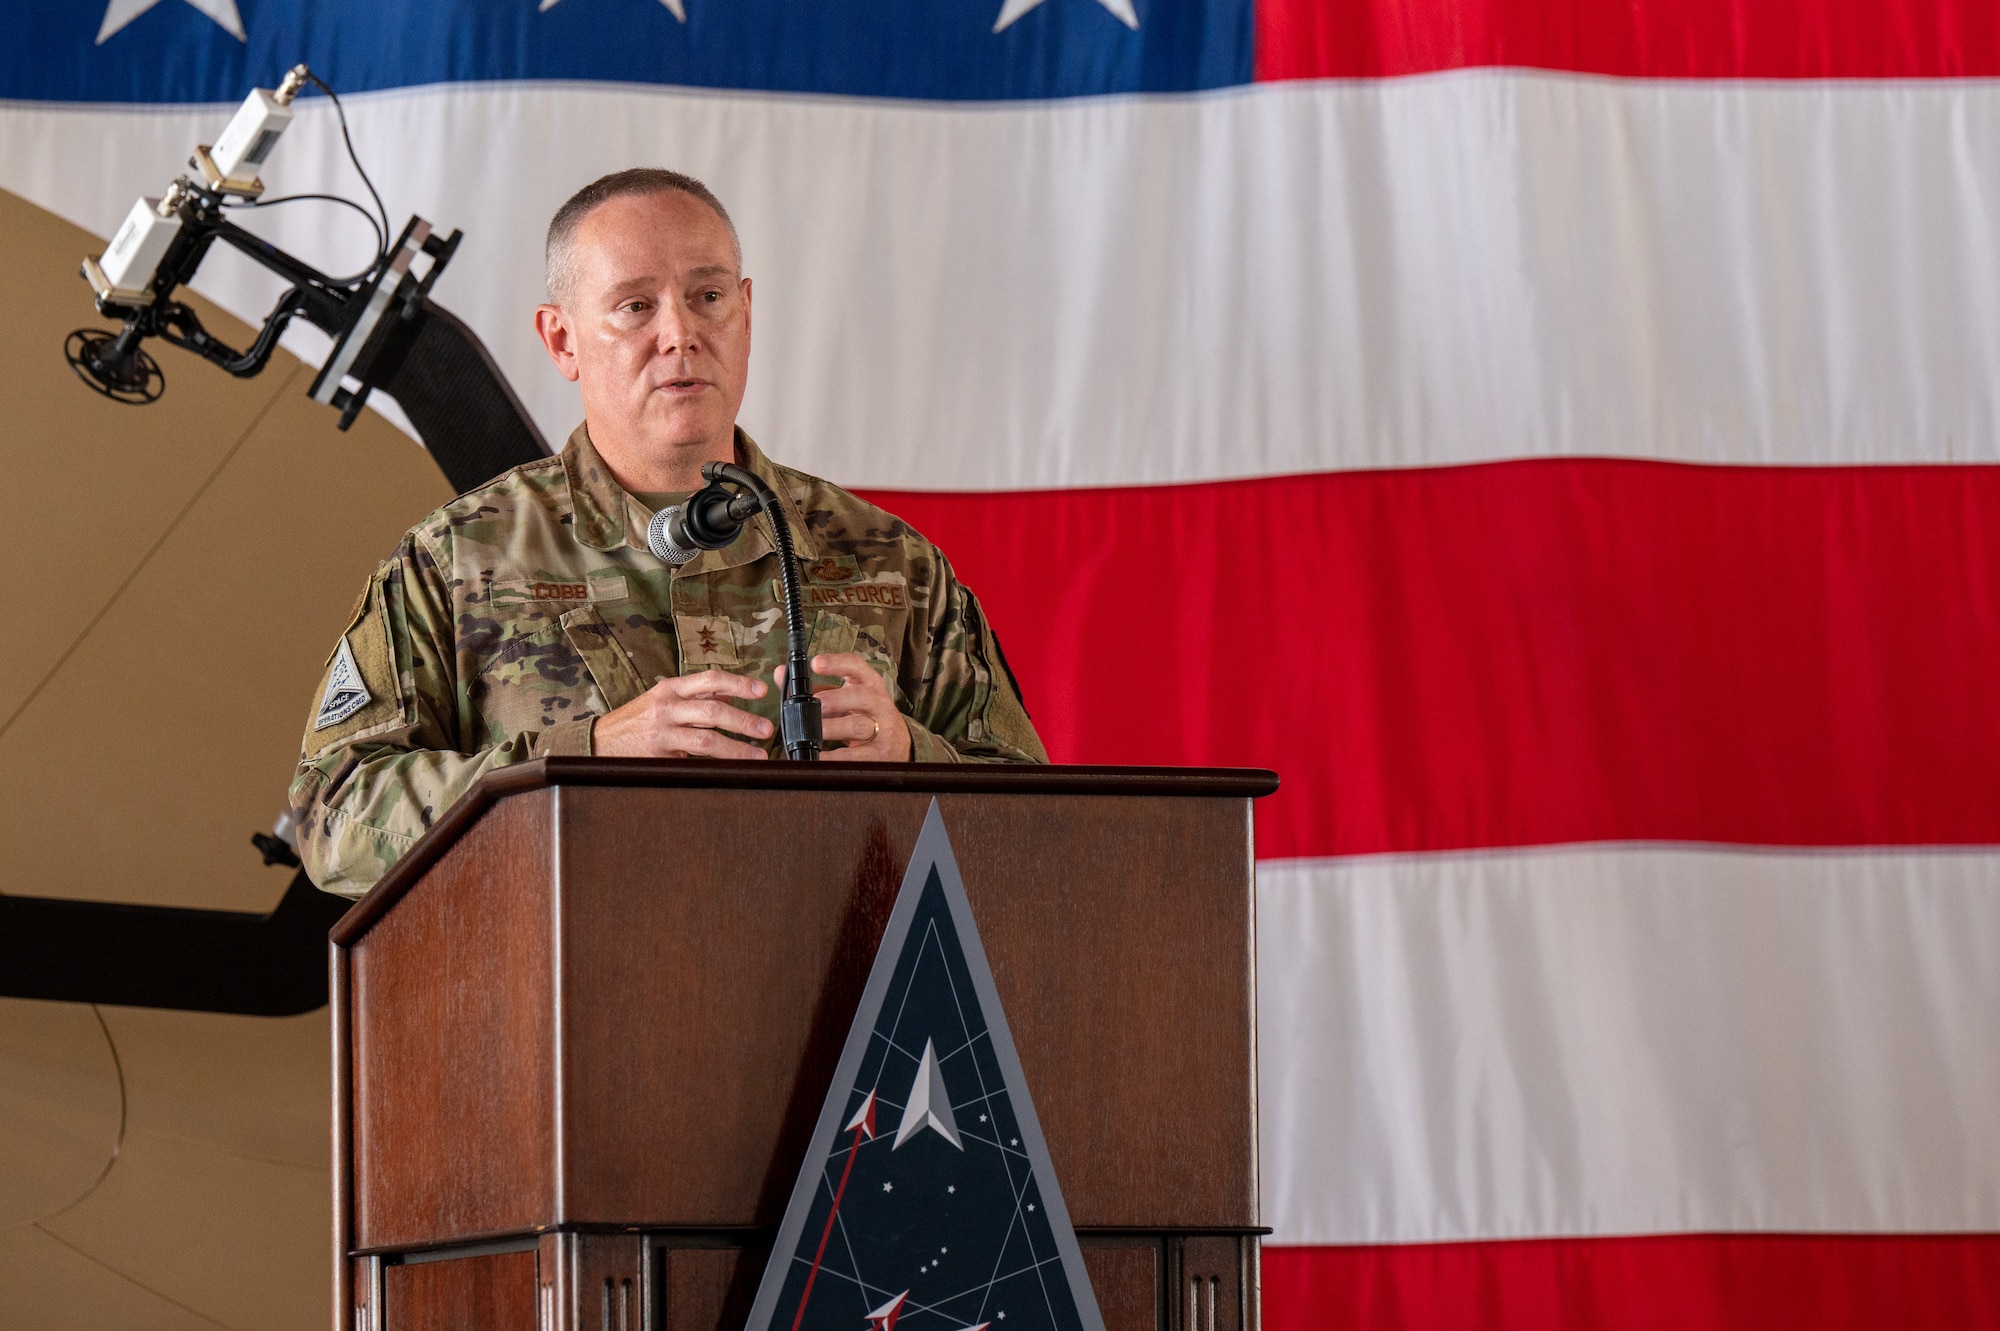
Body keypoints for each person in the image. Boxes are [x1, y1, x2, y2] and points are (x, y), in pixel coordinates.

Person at [287, 168, 1046, 898]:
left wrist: (914, 755)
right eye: (634, 306)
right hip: (567, 1012)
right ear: (562, 341)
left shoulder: (887, 562)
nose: (680, 333)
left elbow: (1041, 824)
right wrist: (582, 757)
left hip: (845, 1012)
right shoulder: (454, 563)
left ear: (745, 311)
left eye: (707, 296)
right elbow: (330, 815)